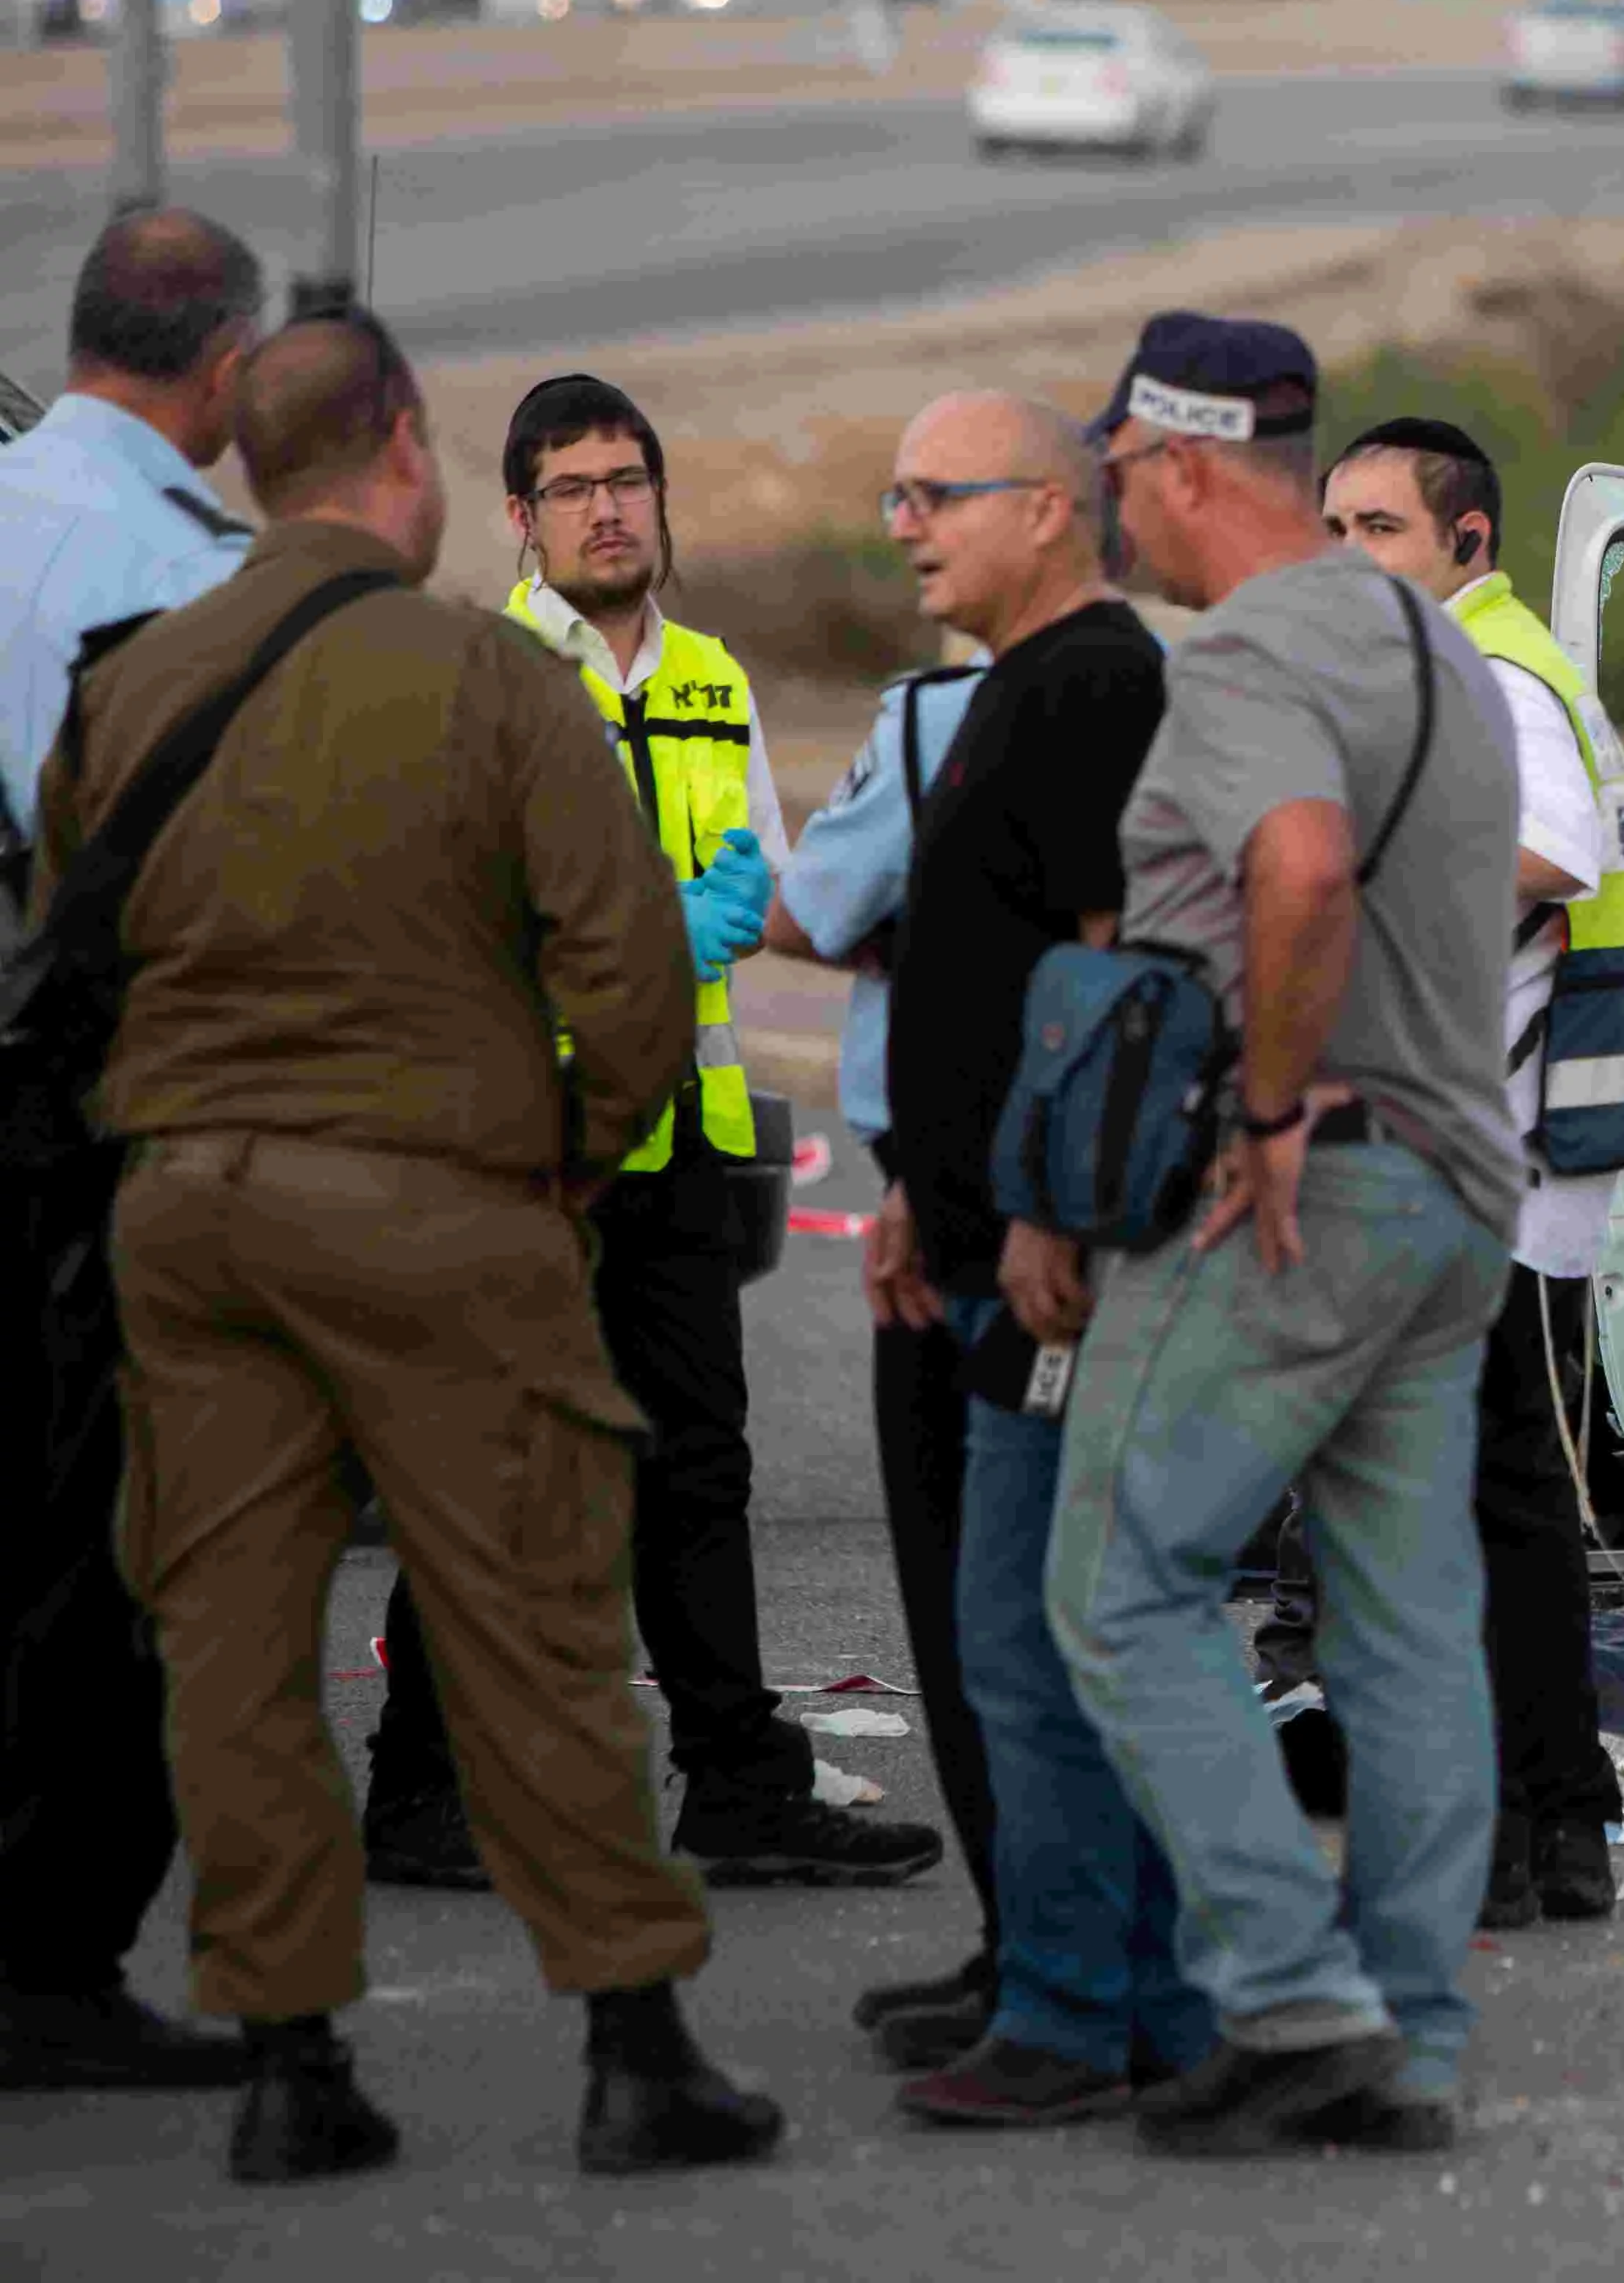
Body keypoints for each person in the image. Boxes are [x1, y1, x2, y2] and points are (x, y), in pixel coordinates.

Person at [40, 309, 779, 2180]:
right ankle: (633, 2045)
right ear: (401, 458)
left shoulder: (129, 681)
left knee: (236, 1652)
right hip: (445, 1209)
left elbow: (63, 953)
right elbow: (626, 976)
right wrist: (569, 1166)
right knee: (531, 1628)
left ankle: (292, 2067)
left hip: (187, 1224)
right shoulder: (491, 682)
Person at [1037, 316, 1521, 2158]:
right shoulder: (1438, 648)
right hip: (1458, 1195)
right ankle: (1408, 2037)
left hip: (1310, 1189)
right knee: (1407, 1630)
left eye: (1120, 476)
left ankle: (1292, 1996)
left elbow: (1300, 866)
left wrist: (1263, 1108)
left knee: (1116, 1581)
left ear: (1180, 464)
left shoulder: (1246, 652)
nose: (1118, 511)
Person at [358, 376, 939, 1896]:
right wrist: (642, 931)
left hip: (684, 1134)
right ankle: (420, 1795)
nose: (610, 507)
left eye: (628, 478)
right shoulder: (478, 676)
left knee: (699, 1472)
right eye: (574, 487)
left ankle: (738, 1784)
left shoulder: (715, 679)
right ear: (520, 520)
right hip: (531, 1140)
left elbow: (778, 891)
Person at [855, 385, 1209, 2125]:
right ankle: (1125, 1997)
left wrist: (1058, 1213)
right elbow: (985, 983)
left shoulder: (1093, 688)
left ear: (1050, 510)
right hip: (990, 1230)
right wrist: (927, 1183)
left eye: (936, 494)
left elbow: (1116, 983)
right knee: (1052, 1629)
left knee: (1036, 1631)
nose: (903, 522)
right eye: (896, 494)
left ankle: (1078, 2014)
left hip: (1061, 1261)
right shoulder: (1022, 686)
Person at [0, 207, 262, 2092]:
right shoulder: (170, 568)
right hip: (86, 1107)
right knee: (106, 1547)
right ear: (224, 367)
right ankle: (53, 1957)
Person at [1322, 415, 1624, 1929]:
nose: (1351, 559)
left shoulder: (1492, 674)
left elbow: (1555, 854)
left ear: (1467, 544)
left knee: (1478, 1514)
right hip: (1505, 1158)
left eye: (1379, 529)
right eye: (1334, 529)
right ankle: (1550, 1828)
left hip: (1496, 1159)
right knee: (1497, 1510)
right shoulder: (1479, 666)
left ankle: (1529, 1831)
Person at [759, 647, 998, 2030]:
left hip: (957, 1181)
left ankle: (1043, 1959)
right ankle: (1052, 1952)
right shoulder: (1156, 685)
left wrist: (916, 931)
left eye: (931, 503)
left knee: (975, 1597)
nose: (904, 529)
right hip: (1088, 1180)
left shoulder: (941, 716)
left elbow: (805, 910)